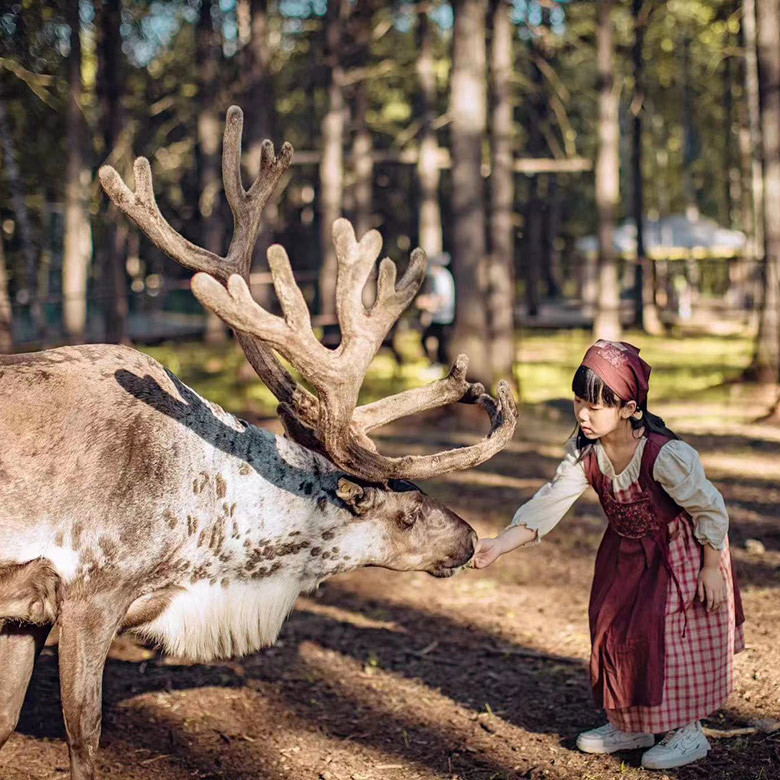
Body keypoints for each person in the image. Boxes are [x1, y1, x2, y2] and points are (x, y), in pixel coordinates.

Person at [473, 340, 745, 771]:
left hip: (682, 554)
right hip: (625, 554)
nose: (582, 414)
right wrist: (499, 544)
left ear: (629, 407)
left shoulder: (663, 455)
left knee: (666, 636)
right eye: (578, 401)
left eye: (595, 406)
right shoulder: (587, 455)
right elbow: (549, 503)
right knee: (613, 630)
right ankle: (630, 722)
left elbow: (710, 508)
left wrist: (712, 569)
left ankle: (685, 731)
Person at [415, 252, 455, 368]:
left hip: (442, 316)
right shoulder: (440, 276)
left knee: (435, 341)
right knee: (433, 340)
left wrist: (426, 303)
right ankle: (436, 364)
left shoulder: (441, 277)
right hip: (439, 316)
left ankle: (438, 364)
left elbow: (442, 298)